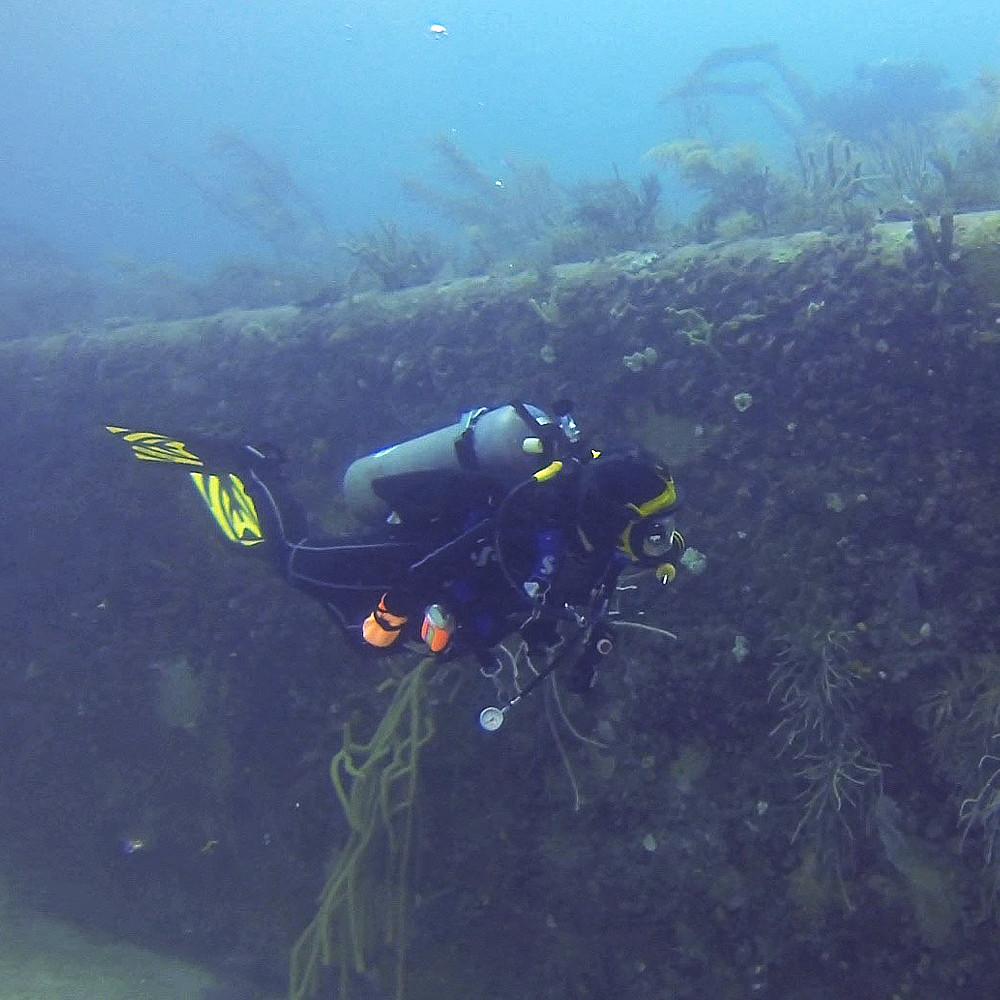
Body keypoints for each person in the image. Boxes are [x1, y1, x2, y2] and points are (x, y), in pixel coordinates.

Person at [106, 401, 684, 693]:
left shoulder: (595, 550)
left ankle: (259, 477)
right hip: (406, 553)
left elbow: (542, 601)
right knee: (293, 559)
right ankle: (245, 467)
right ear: (611, 514)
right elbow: (434, 568)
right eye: (646, 527)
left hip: (428, 590)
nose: (655, 544)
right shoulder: (528, 523)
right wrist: (389, 621)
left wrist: (557, 643)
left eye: (658, 530)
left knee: (343, 617)